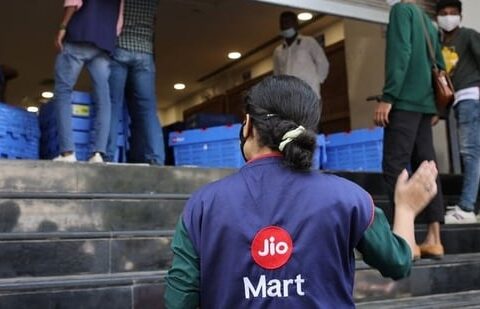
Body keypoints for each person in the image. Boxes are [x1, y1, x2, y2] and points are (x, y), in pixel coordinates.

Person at [164, 75, 439, 308]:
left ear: (248, 125)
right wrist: (405, 209)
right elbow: (398, 262)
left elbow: (179, 300)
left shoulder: (202, 205)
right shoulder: (349, 199)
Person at [373, 0, 446, 259]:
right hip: (425, 105)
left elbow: (400, 52)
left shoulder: (401, 10)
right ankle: (434, 238)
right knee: (428, 167)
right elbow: (440, 61)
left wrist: (388, 96)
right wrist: (435, 108)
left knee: (395, 166)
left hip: (404, 101)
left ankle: (406, 240)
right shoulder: (427, 21)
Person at [52, 0, 122, 163]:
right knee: (103, 98)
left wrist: (62, 27)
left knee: (63, 92)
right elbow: (118, 24)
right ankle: (97, 154)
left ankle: (68, 153)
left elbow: (74, 1)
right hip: (104, 43)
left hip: (79, 35)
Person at [106, 0, 165, 165]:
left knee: (113, 105)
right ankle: (157, 157)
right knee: (148, 110)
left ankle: (107, 155)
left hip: (120, 48)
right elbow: (154, 20)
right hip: (145, 53)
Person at [436, 0, 480, 224]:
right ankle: (471, 205)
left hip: (471, 98)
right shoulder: (441, 42)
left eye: (453, 13)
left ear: (460, 16)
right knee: (474, 154)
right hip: (461, 101)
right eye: (444, 13)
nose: (448, 17)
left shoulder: (469, 35)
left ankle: (466, 208)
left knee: (470, 153)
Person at [273, 11, 329, 112]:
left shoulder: (308, 42)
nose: (285, 25)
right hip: (288, 99)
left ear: (296, 24)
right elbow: (277, 75)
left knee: (311, 127)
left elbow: (323, 63)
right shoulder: (278, 51)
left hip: (309, 96)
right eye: (283, 23)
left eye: (288, 22)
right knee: (293, 127)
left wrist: (317, 81)